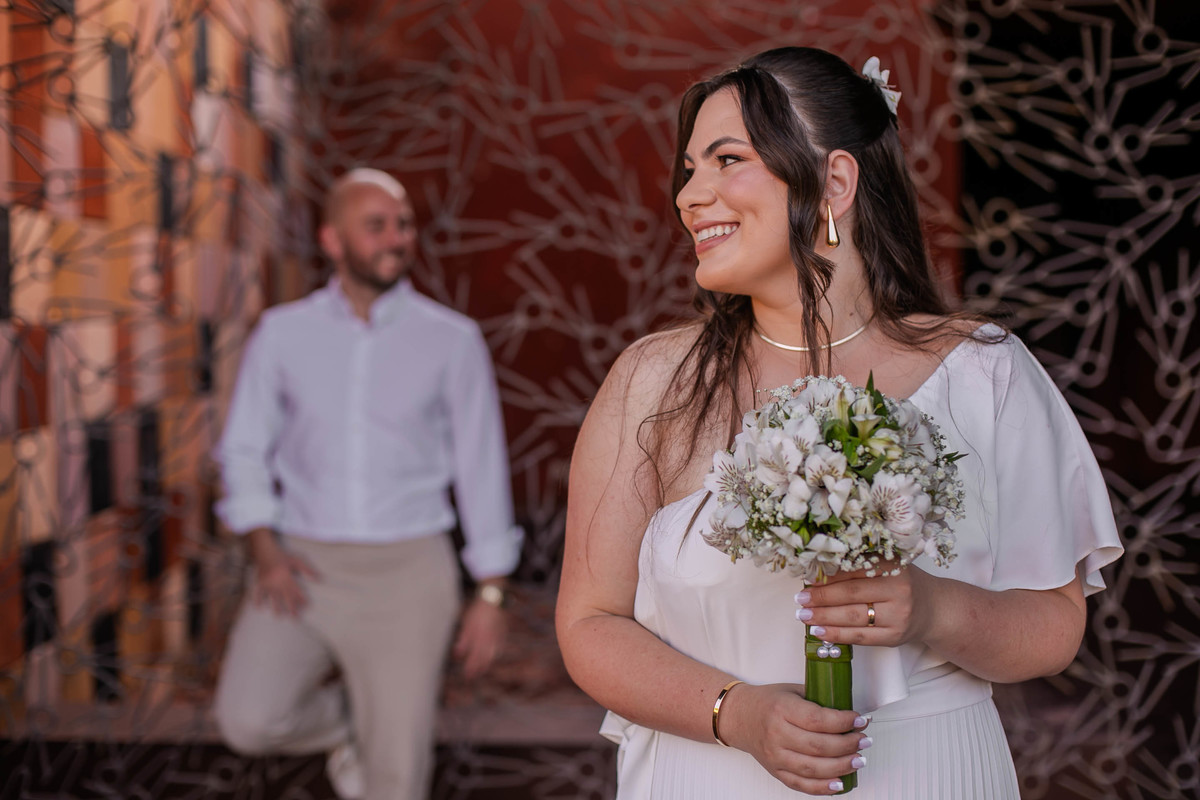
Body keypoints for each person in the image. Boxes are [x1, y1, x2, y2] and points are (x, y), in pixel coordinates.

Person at [555, 46, 1123, 799]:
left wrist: (933, 609)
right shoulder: (652, 383)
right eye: (688, 169)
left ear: (835, 180)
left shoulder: (986, 372)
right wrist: (739, 714)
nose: (691, 195)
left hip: (929, 772)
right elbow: (590, 624)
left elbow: (1056, 626)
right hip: (709, 774)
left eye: (726, 160)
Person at [212, 168, 523, 800]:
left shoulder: (451, 340)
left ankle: (379, 737)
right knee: (248, 719)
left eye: (404, 224)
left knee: (395, 780)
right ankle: (350, 725)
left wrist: (489, 595)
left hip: (409, 576)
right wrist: (265, 551)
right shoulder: (282, 333)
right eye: (376, 225)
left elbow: (481, 467)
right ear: (333, 240)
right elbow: (243, 449)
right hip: (302, 567)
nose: (396, 237)